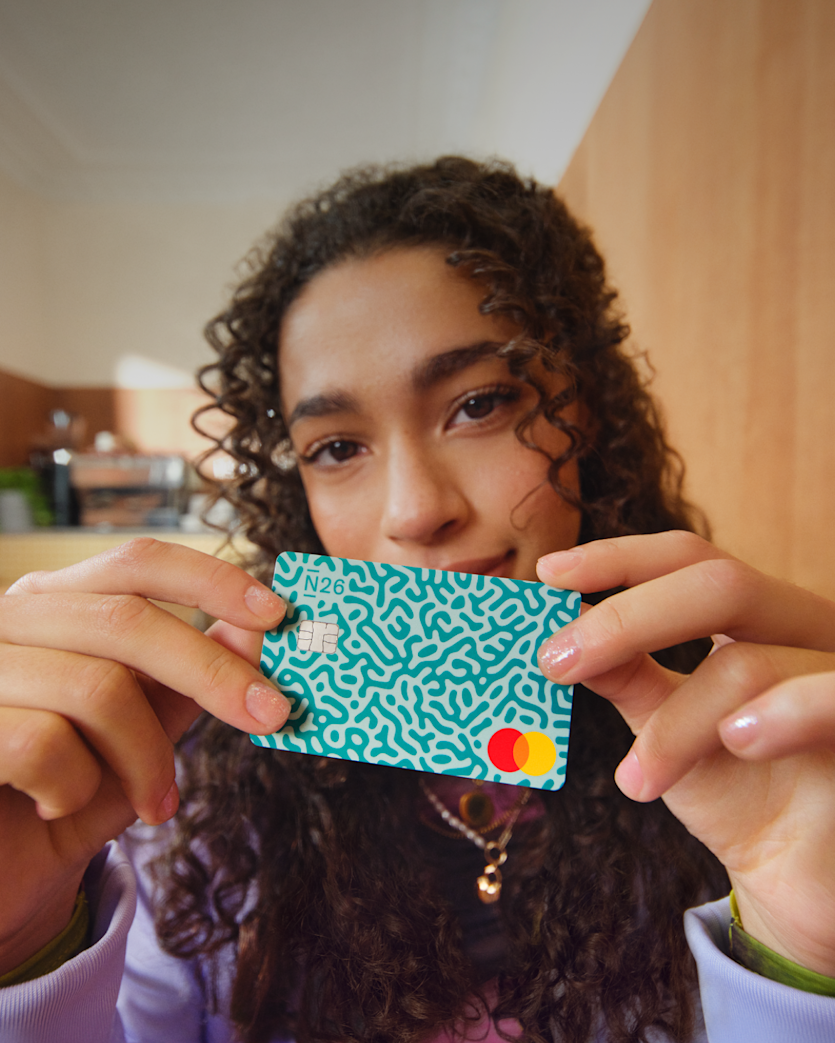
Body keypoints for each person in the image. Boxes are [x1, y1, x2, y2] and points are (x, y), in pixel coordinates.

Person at [1, 157, 834, 1043]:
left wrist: (803, 954)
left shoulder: (755, 763)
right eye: (335, 448)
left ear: (584, 411)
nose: (413, 509)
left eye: (478, 404)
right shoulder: (188, 805)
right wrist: (22, 947)